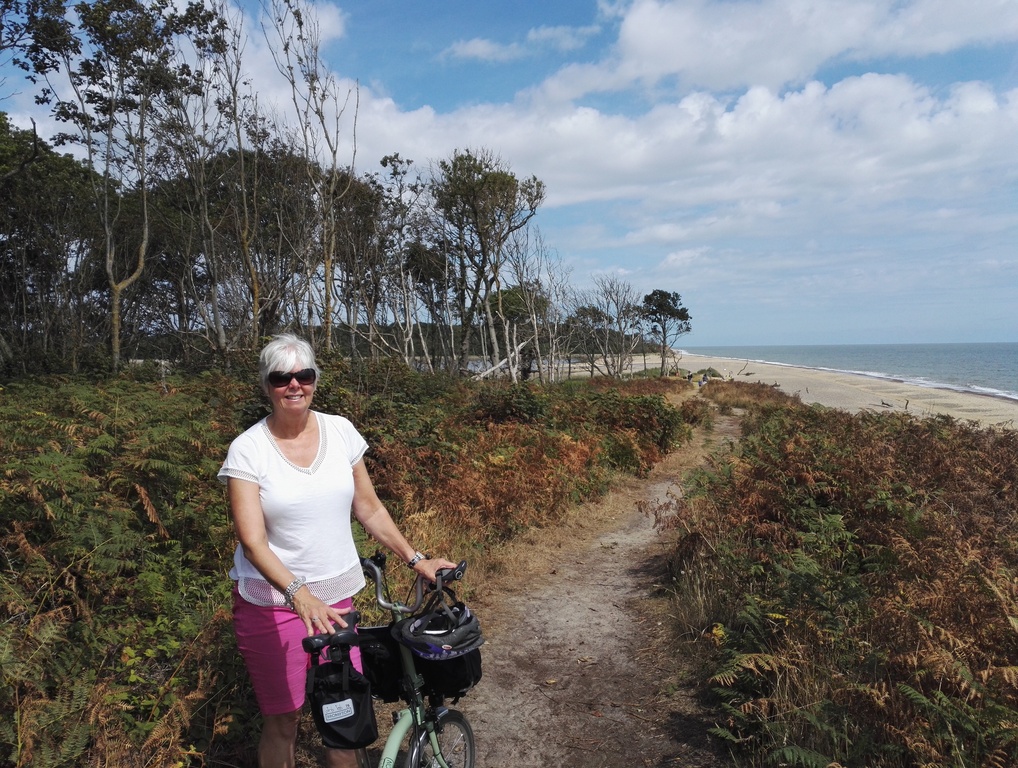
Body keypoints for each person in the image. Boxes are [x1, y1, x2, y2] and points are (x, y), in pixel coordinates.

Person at [219, 333, 456, 768]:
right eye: (281, 378)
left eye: (303, 375)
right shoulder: (248, 449)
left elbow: (368, 508)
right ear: (266, 385)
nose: (294, 385)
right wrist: (299, 593)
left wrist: (415, 558)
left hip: (337, 599)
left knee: (342, 711)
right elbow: (252, 542)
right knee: (284, 721)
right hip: (272, 603)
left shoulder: (341, 430)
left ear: (315, 379)